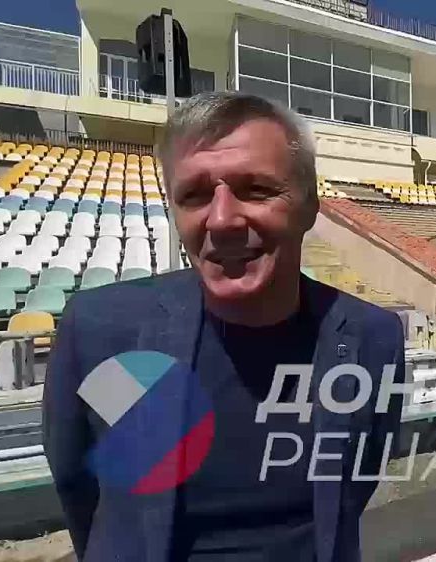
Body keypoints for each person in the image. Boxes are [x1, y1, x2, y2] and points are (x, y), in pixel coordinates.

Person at [43, 91, 406, 562]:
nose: (222, 220)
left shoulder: (374, 338)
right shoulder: (101, 331)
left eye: (255, 189)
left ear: (309, 206)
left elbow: (356, 484)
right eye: (194, 195)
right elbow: (78, 488)